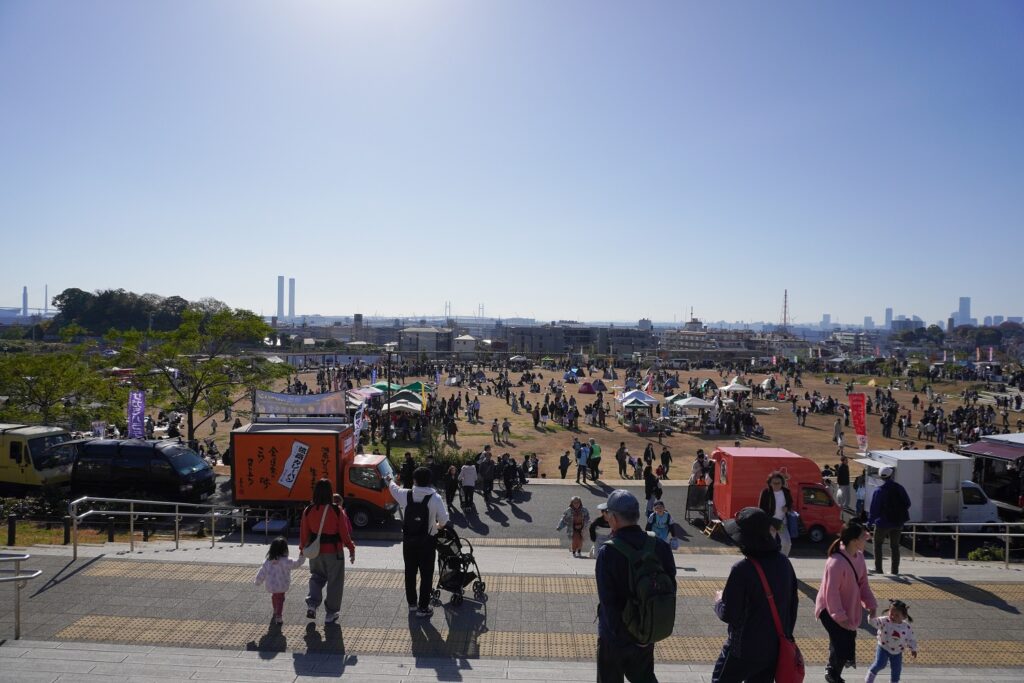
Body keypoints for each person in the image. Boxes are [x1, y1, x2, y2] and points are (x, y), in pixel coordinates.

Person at [595, 490, 677, 682]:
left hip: (614, 639)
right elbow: (669, 588)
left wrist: (619, 636)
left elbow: (608, 602)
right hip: (646, 632)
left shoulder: (608, 552)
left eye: (607, 514)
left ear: (614, 517)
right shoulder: (659, 546)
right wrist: (643, 637)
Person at [712, 507, 798, 682]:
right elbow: (792, 607)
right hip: (773, 648)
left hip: (742, 648)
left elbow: (730, 614)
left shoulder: (742, 569)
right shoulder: (784, 563)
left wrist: (719, 602)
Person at [815, 520, 878, 683]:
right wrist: (840, 617)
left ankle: (834, 673)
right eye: (864, 538)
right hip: (828, 609)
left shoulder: (859, 557)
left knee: (846, 640)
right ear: (854, 541)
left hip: (846, 606)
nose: (866, 540)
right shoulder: (836, 562)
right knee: (843, 641)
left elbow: (863, 583)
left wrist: (871, 604)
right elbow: (831, 594)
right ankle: (832, 673)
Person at [387, 467, 450, 618]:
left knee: (410, 572)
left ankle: (412, 605)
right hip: (427, 542)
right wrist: (436, 526)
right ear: (430, 481)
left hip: (409, 541)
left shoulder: (405, 495)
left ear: (414, 480)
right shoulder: (435, 498)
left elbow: (393, 488)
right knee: (426, 575)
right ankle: (423, 607)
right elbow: (444, 520)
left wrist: (389, 479)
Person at [300, 479, 356, 625]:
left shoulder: (308, 510)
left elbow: (304, 534)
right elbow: (344, 533)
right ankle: (330, 614)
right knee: (335, 582)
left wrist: (301, 549)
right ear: (330, 493)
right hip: (334, 552)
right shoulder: (337, 510)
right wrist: (351, 548)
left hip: (316, 552)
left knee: (317, 577)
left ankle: (312, 603)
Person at [868, 466, 911, 574]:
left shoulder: (879, 491)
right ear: (891, 475)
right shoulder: (900, 488)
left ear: (881, 477)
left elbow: (874, 509)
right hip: (898, 522)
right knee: (895, 546)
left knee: (877, 544)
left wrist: (870, 522)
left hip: (882, 523)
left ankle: (878, 569)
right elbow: (908, 503)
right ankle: (894, 570)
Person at [254, 536, 305, 625]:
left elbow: (262, 572)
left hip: (271, 586)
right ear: (285, 549)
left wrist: (258, 581)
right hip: (281, 585)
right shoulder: (286, 561)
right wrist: (302, 556)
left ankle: (275, 610)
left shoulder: (268, 561)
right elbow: (297, 563)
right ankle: (278, 616)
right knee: (280, 599)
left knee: (274, 596)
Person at [866, 599, 918, 683]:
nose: (893, 616)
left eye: (897, 615)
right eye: (891, 613)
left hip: (897, 652)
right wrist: (872, 615)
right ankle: (870, 677)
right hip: (883, 647)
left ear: (904, 616)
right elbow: (874, 622)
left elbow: (911, 638)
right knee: (880, 664)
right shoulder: (885, 621)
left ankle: (894, 681)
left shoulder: (906, 627)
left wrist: (913, 649)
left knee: (896, 670)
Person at [758, 471, 794, 557]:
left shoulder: (786, 492)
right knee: (769, 544)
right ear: (770, 483)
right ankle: (769, 561)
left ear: (782, 483)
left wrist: (787, 508)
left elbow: (790, 503)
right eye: (774, 483)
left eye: (779, 483)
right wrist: (768, 524)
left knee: (787, 543)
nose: (776, 485)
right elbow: (761, 509)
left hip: (781, 523)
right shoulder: (765, 493)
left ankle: (782, 559)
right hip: (770, 522)